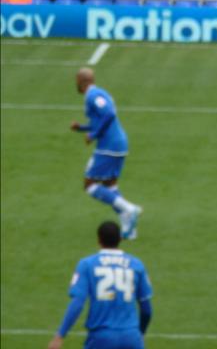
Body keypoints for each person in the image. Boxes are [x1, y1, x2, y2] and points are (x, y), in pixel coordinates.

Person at [47, 221, 153, 349]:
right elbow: (146, 309)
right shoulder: (137, 265)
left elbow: (77, 303)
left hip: (101, 338)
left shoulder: (87, 264)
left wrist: (60, 335)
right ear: (120, 239)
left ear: (99, 240)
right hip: (131, 337)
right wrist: (140, 333)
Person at [70, 68, 142, 239]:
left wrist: (93, 135)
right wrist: (81, 128)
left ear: (80, 81)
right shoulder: (101, 93)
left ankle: (129, 208)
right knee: (110, 185)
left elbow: (109, 114)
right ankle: (129, 229)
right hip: (119, 143)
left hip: (109, 145)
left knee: (89, 185)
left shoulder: (93, 96)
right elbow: (100, 120)